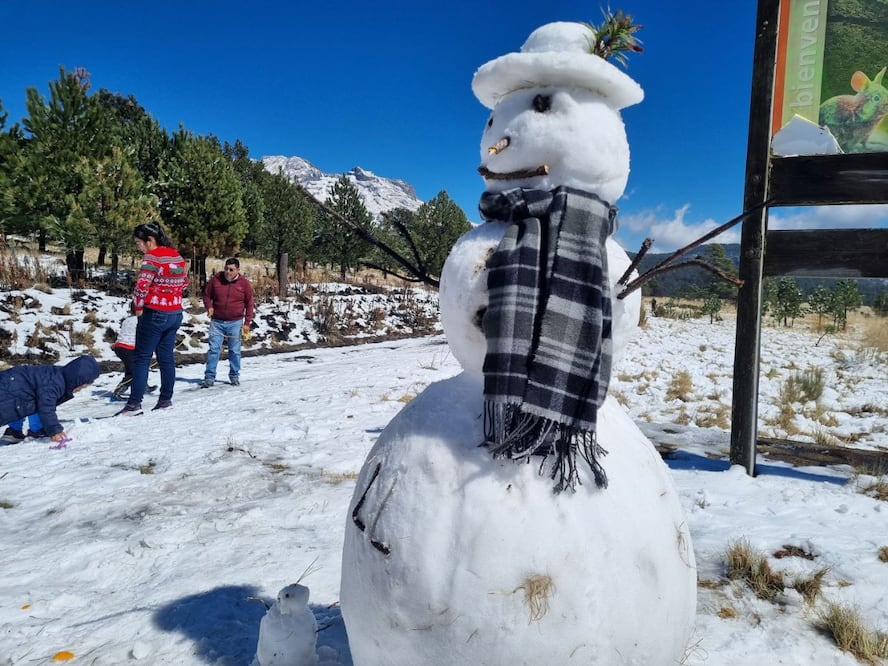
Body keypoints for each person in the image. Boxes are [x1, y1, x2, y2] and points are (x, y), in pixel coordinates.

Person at [116, 222, 188, 415]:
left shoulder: (152, 257)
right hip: (175, 312)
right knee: (166, 358)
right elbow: (184, 283)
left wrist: (138, 307)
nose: (137, 246)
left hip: (155, 312)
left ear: (150, 240)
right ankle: (165, 399)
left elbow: (141, 287)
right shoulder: (176, 256)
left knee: (141, 358)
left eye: (138, 242)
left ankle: (133, 404)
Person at [1, 355, 100, 443]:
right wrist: (54, 430)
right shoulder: (55, 384)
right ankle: (33, 431)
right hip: (10, 385)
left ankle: (15, 431)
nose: (79, 390)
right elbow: (46, 407)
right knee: (13, 405)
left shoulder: (58, 375)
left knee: (25, 403)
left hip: (15, 381)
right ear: (76, 381)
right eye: (81, 387)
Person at [200, 257, 254, 388]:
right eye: (226, 269)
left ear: (237, 270)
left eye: (231, 270)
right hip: (217, 322)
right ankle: (209, 377)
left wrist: (247, 322)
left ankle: (234, 376)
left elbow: (250, 303)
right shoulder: (216, 280)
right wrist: (209, 307)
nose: (228, 272)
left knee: (234, 351)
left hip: (235, 322)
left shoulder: (244, 284)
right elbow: (206, 295)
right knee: (214, 350)